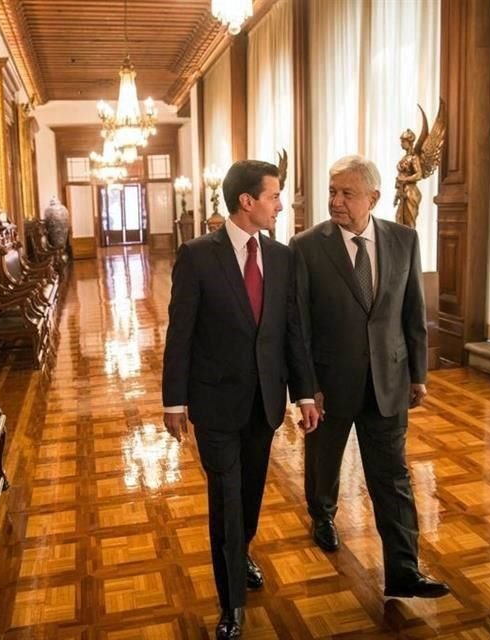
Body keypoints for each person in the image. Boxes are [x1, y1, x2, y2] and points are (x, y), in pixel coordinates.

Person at [163, 160, 321, 639]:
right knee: (226, 501)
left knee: (249, 496)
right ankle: (231, 606)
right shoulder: (197, 255)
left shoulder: (280, 256)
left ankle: (241, 553)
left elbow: (292, 331)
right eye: (274, 196)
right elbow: (181, 333)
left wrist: (305, 394)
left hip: (265, 403)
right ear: (247, 201)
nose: (280, 204)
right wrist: (173, 401)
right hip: (214, 405)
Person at [289, 155, 449, 599]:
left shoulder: (404, 240)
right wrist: (306, 389)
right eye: (332, 191)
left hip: (389, 382)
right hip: (329, 385)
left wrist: (418, 373)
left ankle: (404, 571)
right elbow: (298, 325)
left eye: (347, 193)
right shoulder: (305, 246)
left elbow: (412, 312)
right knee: (324, 464)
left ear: (373, 198)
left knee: (393, 478)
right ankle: (322, 514)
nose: (336, 201)